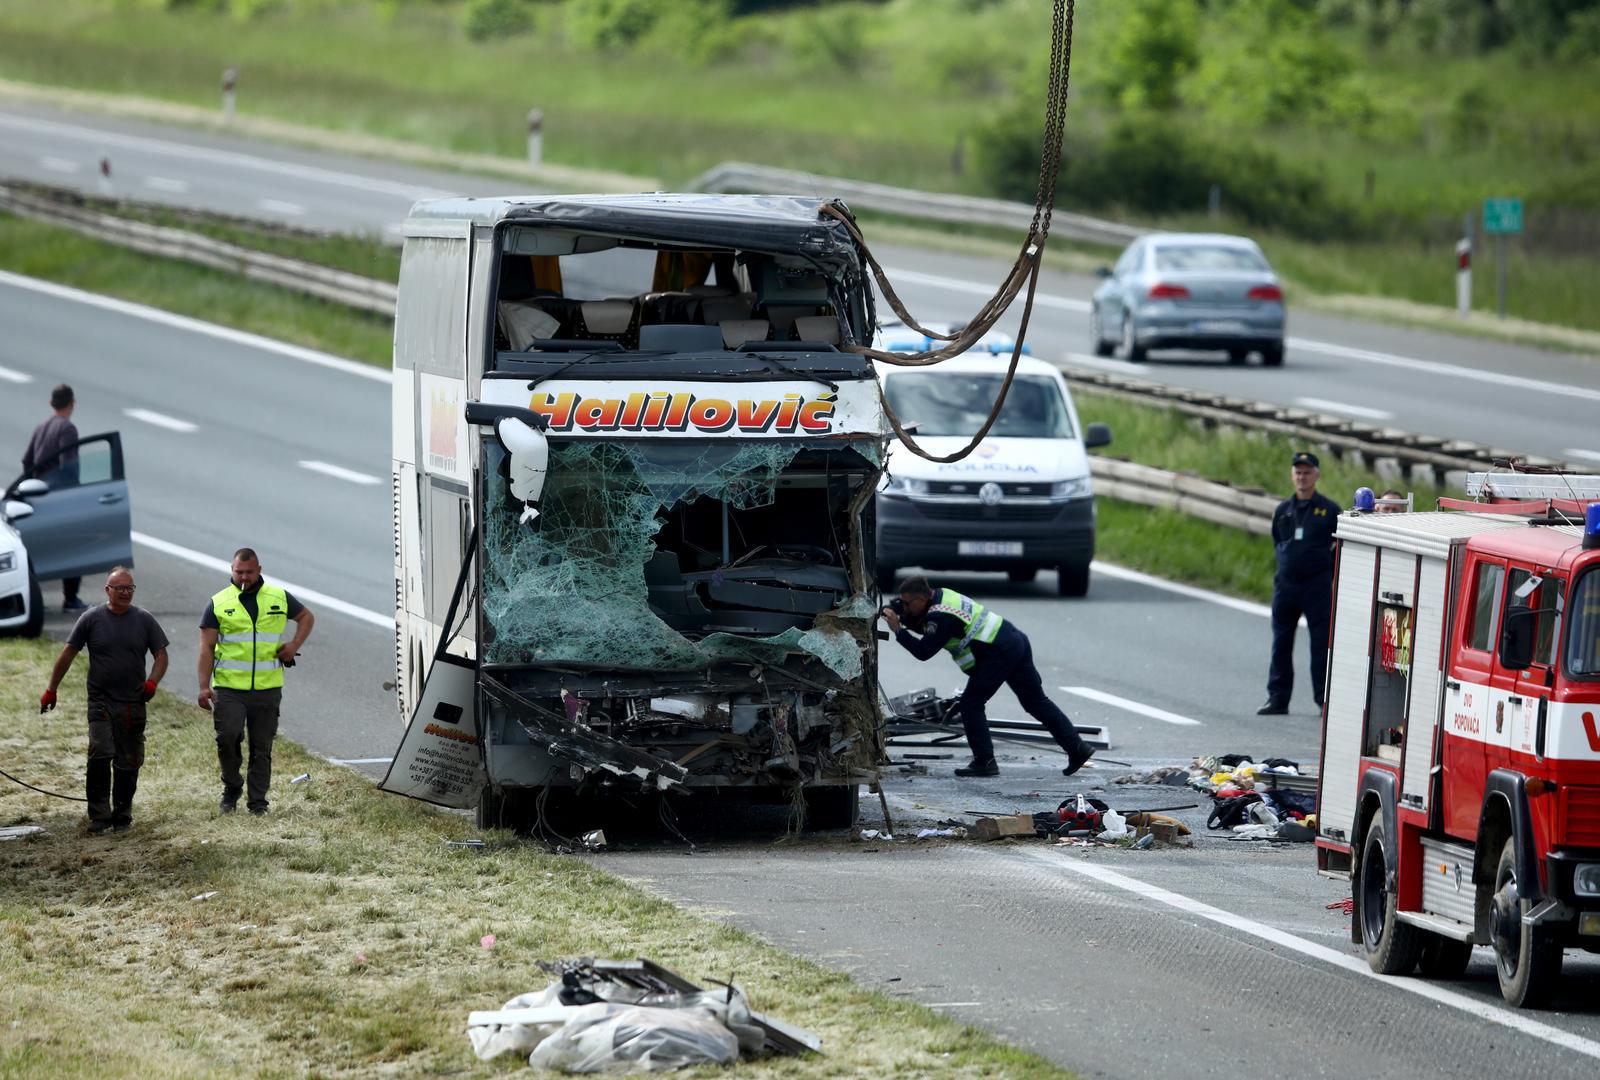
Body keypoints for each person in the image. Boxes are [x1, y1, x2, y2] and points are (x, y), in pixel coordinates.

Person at [883, 576, 1093, 778]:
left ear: (921, 599)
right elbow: (934, 630)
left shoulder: (940, 616)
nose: (905, 607)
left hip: (998, 653)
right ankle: (1077, 748)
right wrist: (905, 616)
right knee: (1036, 702)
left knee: (971, 704)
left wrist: (898, 630)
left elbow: (924, 651)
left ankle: (985, 761)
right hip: (1013, 639)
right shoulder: (942, 595)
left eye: (907, 604)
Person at [38, 567, 169, 834]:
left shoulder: (144, 620)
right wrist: (52, 689)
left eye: (129, 588)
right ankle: (99, 815)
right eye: (119, 588)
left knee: (128, 761)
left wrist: (153, 682)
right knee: (100, 751)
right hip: (100, 701)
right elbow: (68, 654)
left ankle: (122, 814)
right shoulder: (91, 619)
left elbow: (161, 655)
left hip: (132, 703)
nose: (125, 593)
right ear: (107, 590)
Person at [197, 548, 315, 815]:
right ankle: (232, 786)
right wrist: (204, 686)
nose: (244, 577)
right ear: (231, 570)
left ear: (259, 570)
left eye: (249, 572)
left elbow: (306, 617)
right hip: (229, 689)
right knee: (228, 738)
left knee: (262, 747)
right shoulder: (218, 603)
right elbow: (206, 648)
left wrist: (294, 644)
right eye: (239, 572)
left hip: (267, 688)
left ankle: (258, 802)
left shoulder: (278, 597)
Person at [1259, 451, 1341, 716]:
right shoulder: (1283, 510)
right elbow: (1277, 539)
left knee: (1320, 644)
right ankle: (1278, 698)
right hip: (1286, 585)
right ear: (1292, 476)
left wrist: (1326, 569)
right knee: (1281, 642)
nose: (1302, 477)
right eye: (1298, 473)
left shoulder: (1329, 510)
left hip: (1316, 586)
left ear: (1316, 475)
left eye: (1307, 472)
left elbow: (1339, 546)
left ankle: (1323, 699)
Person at [21, 383, 84, 611]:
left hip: (38, 496)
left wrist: (32, 487)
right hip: (59, 498)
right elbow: (68, 465)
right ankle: (71, 599)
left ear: (51, 403)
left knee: (38, 548)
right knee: (75, 546)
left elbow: (27, 461)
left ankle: (34, 598)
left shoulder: (41, 427)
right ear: (72, 403)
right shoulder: (67, 428)